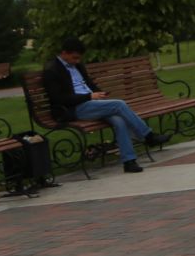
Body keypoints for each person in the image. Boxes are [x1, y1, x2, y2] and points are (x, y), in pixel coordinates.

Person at [40, 37, 167, 173]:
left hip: (92, 104)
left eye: (79, 58)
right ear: (64, 53)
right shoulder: (52, 71)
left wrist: (99, 93)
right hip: (73, 109)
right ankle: (148, 136)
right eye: (74, 57)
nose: (77, 61)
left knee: (119, 120)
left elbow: (89, 84)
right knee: (119, 105)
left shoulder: (77, 65)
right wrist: (89, 96)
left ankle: (129, 162)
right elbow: (59, 99)